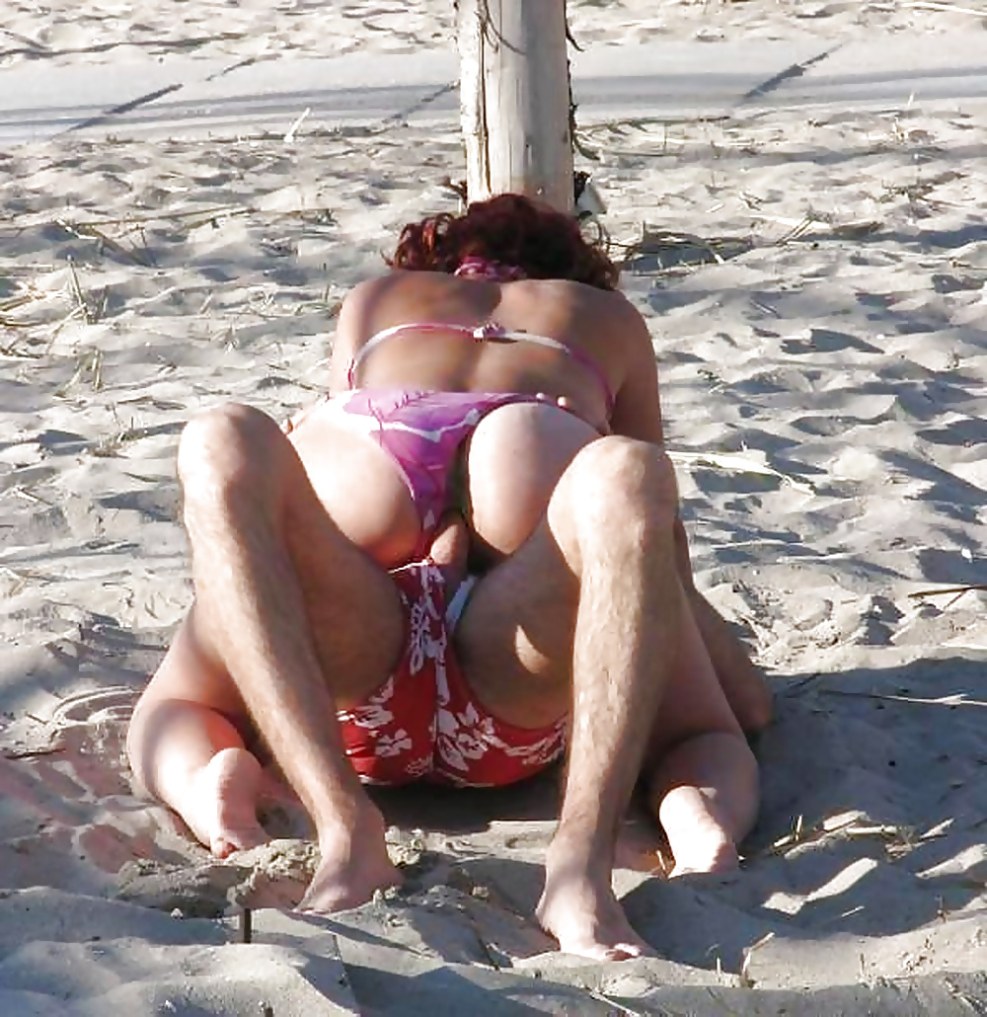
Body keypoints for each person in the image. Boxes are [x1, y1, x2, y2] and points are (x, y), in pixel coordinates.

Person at [126, 193, 772, 961]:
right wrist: (727, 700)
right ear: (568, 268)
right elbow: (651, 545)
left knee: (218, 443)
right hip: (515, 658)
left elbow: (272, 551)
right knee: (629, 477)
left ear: (434, 263)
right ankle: (596, 861)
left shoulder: (375, 305)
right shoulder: (602, 314)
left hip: (359, 651)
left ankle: (325, 823)